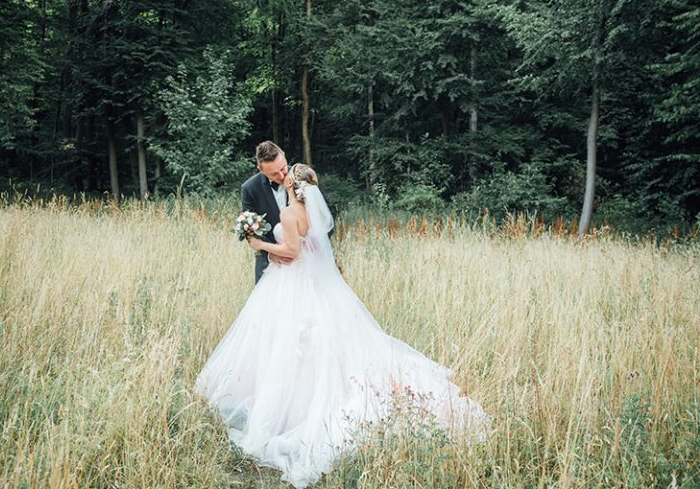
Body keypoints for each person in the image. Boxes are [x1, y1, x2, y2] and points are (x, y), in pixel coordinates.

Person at [195, 164, 492, 488]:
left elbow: (293, 252)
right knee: (323, 346)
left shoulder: (291, 215)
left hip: (294, 285)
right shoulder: (312, 214)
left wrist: (260, 245)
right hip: (319, 286)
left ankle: (294, 413)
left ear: (293, 187)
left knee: (293, 347)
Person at [240, 140, 292, 283]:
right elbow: (249, 230)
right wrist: (271, 253)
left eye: (283, 168)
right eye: (274, 174)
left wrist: (310, 248)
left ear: (284, 156)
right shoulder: (249, 189)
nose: (281, 176)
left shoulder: (302, 177)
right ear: (261, 170)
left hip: (307, 260)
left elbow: (326, 215)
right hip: (271, 261)